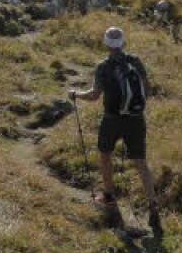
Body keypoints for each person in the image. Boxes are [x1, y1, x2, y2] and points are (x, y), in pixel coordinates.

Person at [69, 27, 164, 240]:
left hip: (112, 119)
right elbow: (147, 89)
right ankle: (153, 205)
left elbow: (94, 96)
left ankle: (109, 198)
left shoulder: (104, 66)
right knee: (141, 162)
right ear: (123, 43)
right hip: (136, 119)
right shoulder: (136, 61)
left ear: (106, 44)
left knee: (105, 155)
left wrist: (76, 94)